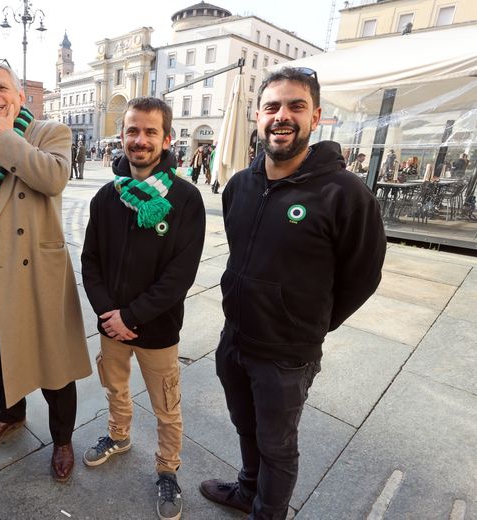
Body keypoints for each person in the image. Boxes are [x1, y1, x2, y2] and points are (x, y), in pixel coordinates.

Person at [200, 67, 386, 519]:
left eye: (295, 106)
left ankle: (269, 512)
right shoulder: (240, 186)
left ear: (316, 116)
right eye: (272, 107)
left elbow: (363, 275)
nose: (282, 116)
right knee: (246, 427)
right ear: (258, 117)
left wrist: (309, 322)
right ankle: (247, 491)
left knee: (278, 446)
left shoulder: (344, 192)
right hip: (235, 338)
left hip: (287, 354)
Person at [0, 60, 92, 482]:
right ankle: (10, 413)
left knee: (53, 360)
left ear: (20, 96)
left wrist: (8, 138)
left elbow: (53, 179)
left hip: (33, 268)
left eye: (1, 88)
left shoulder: (50, 132)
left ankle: (63, 439)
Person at [81, 97, 205, 520]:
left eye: (151, 131)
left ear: (166, 138)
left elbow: (179, 275)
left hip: (157, 328)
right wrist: (108, 314)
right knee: (115, 388)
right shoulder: (105, 197)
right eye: (133, 131)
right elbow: (90, 261)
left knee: (166, 406)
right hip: (110, 325)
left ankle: (168, 469)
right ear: (122, 136)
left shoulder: (186, 200)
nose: (141, 140)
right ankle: (119, 436)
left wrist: (131, 316)